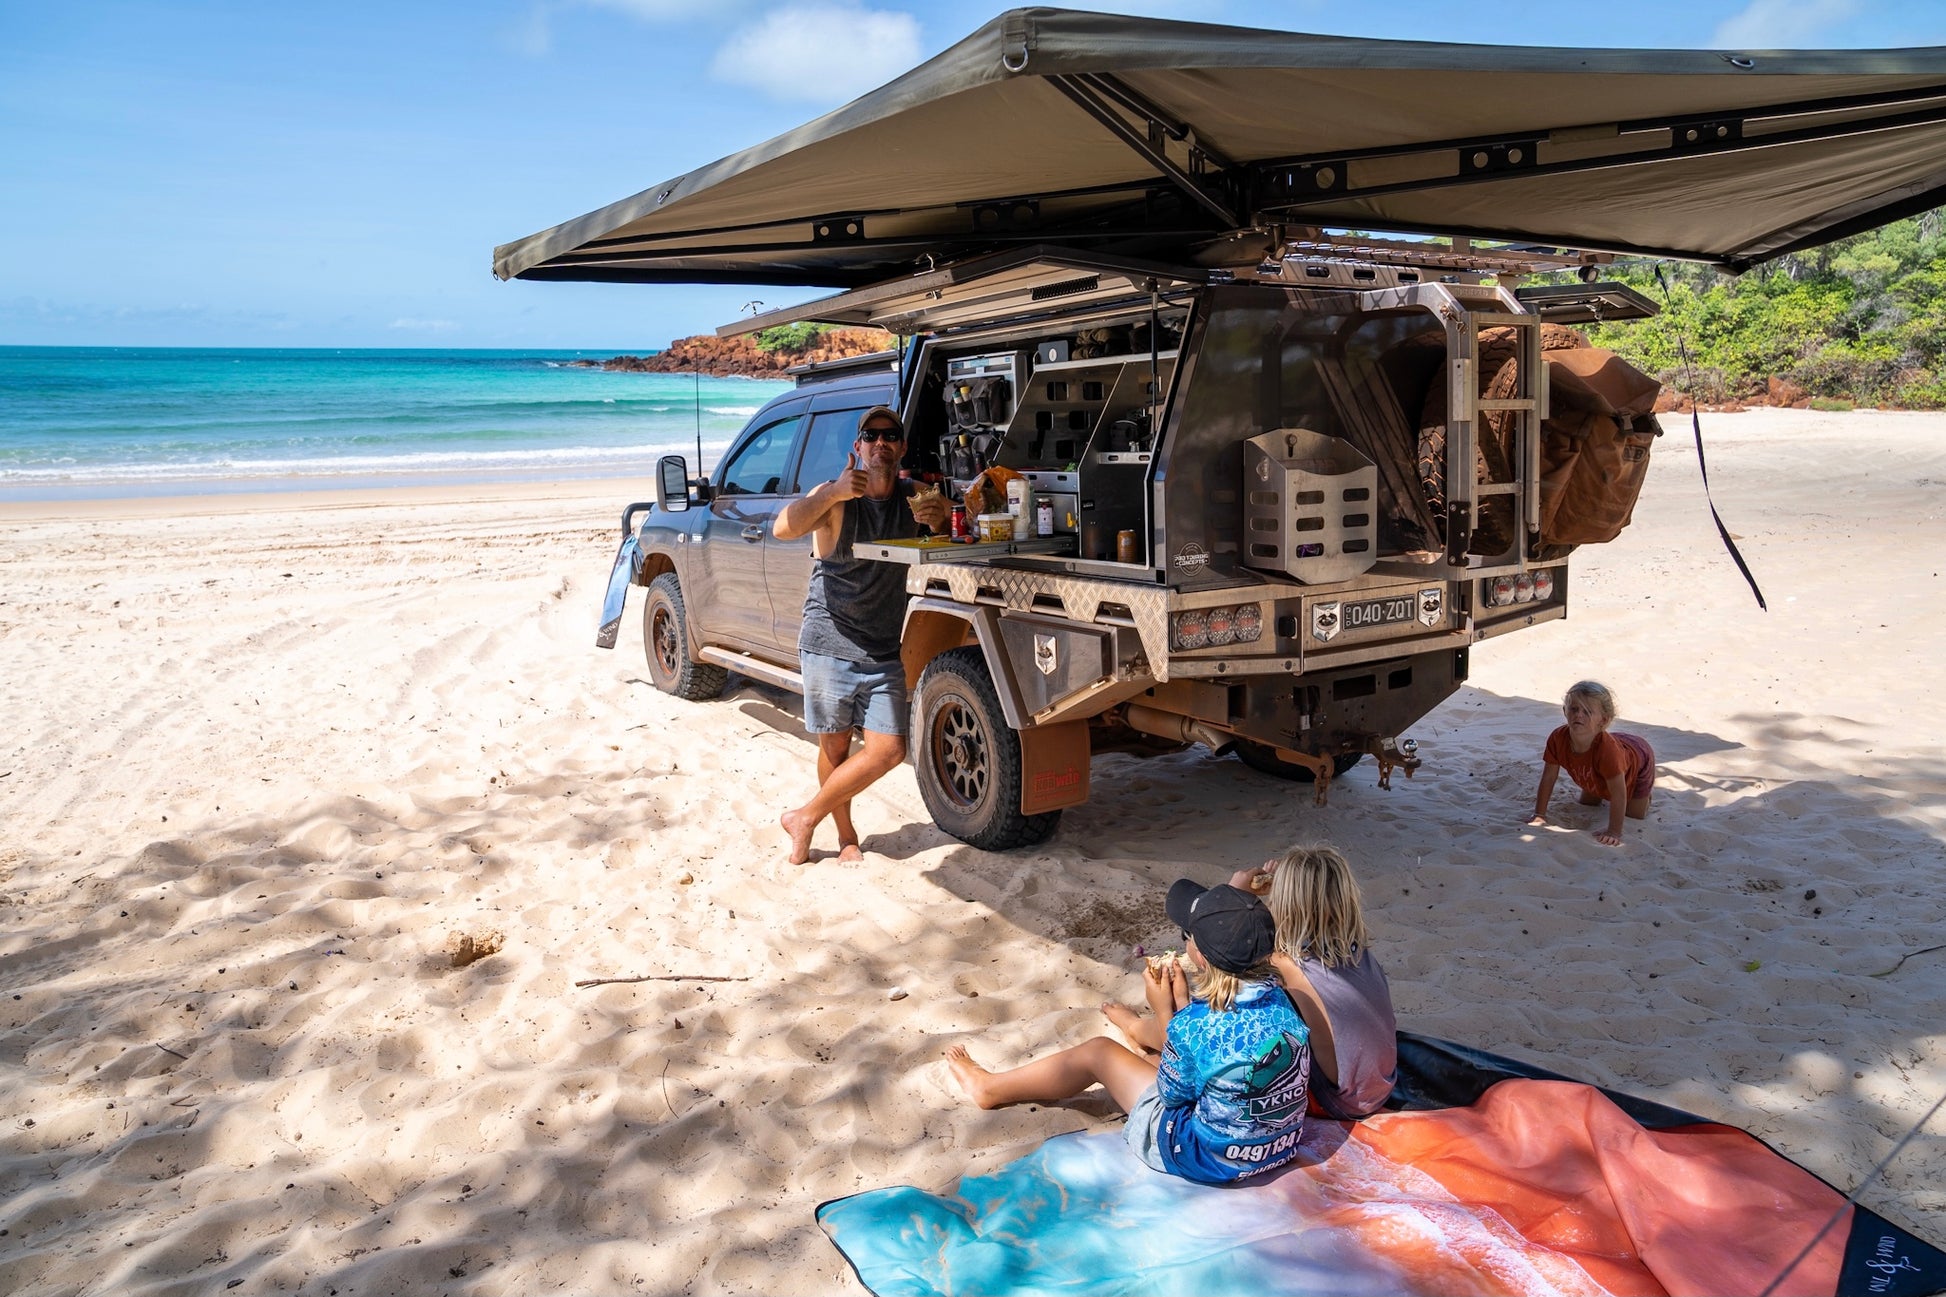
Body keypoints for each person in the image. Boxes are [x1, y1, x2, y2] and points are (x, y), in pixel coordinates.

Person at [949, 880, 1311, 1185]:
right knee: (1170, 1061)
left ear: (1199, 957)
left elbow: (1172, 1097)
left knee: (1099, 1053)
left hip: (1206, 1157)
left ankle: (989, 1089)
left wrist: (1164, 1008)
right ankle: (1138, 1039)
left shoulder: (1194, 1025)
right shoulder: (1282, 1000)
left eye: (1187, 935)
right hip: (1277, 1147)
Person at [772, 406, 949, 864]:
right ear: (857, 447)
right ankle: (846, 836)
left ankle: (805, 816)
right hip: (829, 638)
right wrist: (831, 493)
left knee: (889, 750)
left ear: (903, 447)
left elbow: (948, 528)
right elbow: (783, 526)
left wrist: (939, 520)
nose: (880, 443)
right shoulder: (834, 498)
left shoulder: (915, 495)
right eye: (870, 436)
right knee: (835, 744)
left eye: (890, 435)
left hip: (883, 645)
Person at [1107, 844, 1398, 1121]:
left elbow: (1228, 938)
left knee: (1190, 1043)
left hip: (1336, 1102)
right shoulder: (1357, 950)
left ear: (1285, 907)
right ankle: (1143, 1028)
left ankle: (1134, 1028)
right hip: (1379, 1087)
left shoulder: (1285, 965)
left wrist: (1235, 892)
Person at [1527, 680, 1655, 847]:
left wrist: (1614, 832)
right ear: (1565, 711)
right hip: (1599, 763)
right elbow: (1549, 777)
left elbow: (1618, 794)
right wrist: (1539, 814)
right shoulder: (1558, 738)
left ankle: (1646, 797)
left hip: (1638, 757)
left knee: (1634, 814)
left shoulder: (1608, 751)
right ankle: (1600, 782)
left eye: (1587, 712)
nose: (1578, 715)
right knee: (1588, 802)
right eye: (1574, 709)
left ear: (1602, 720)